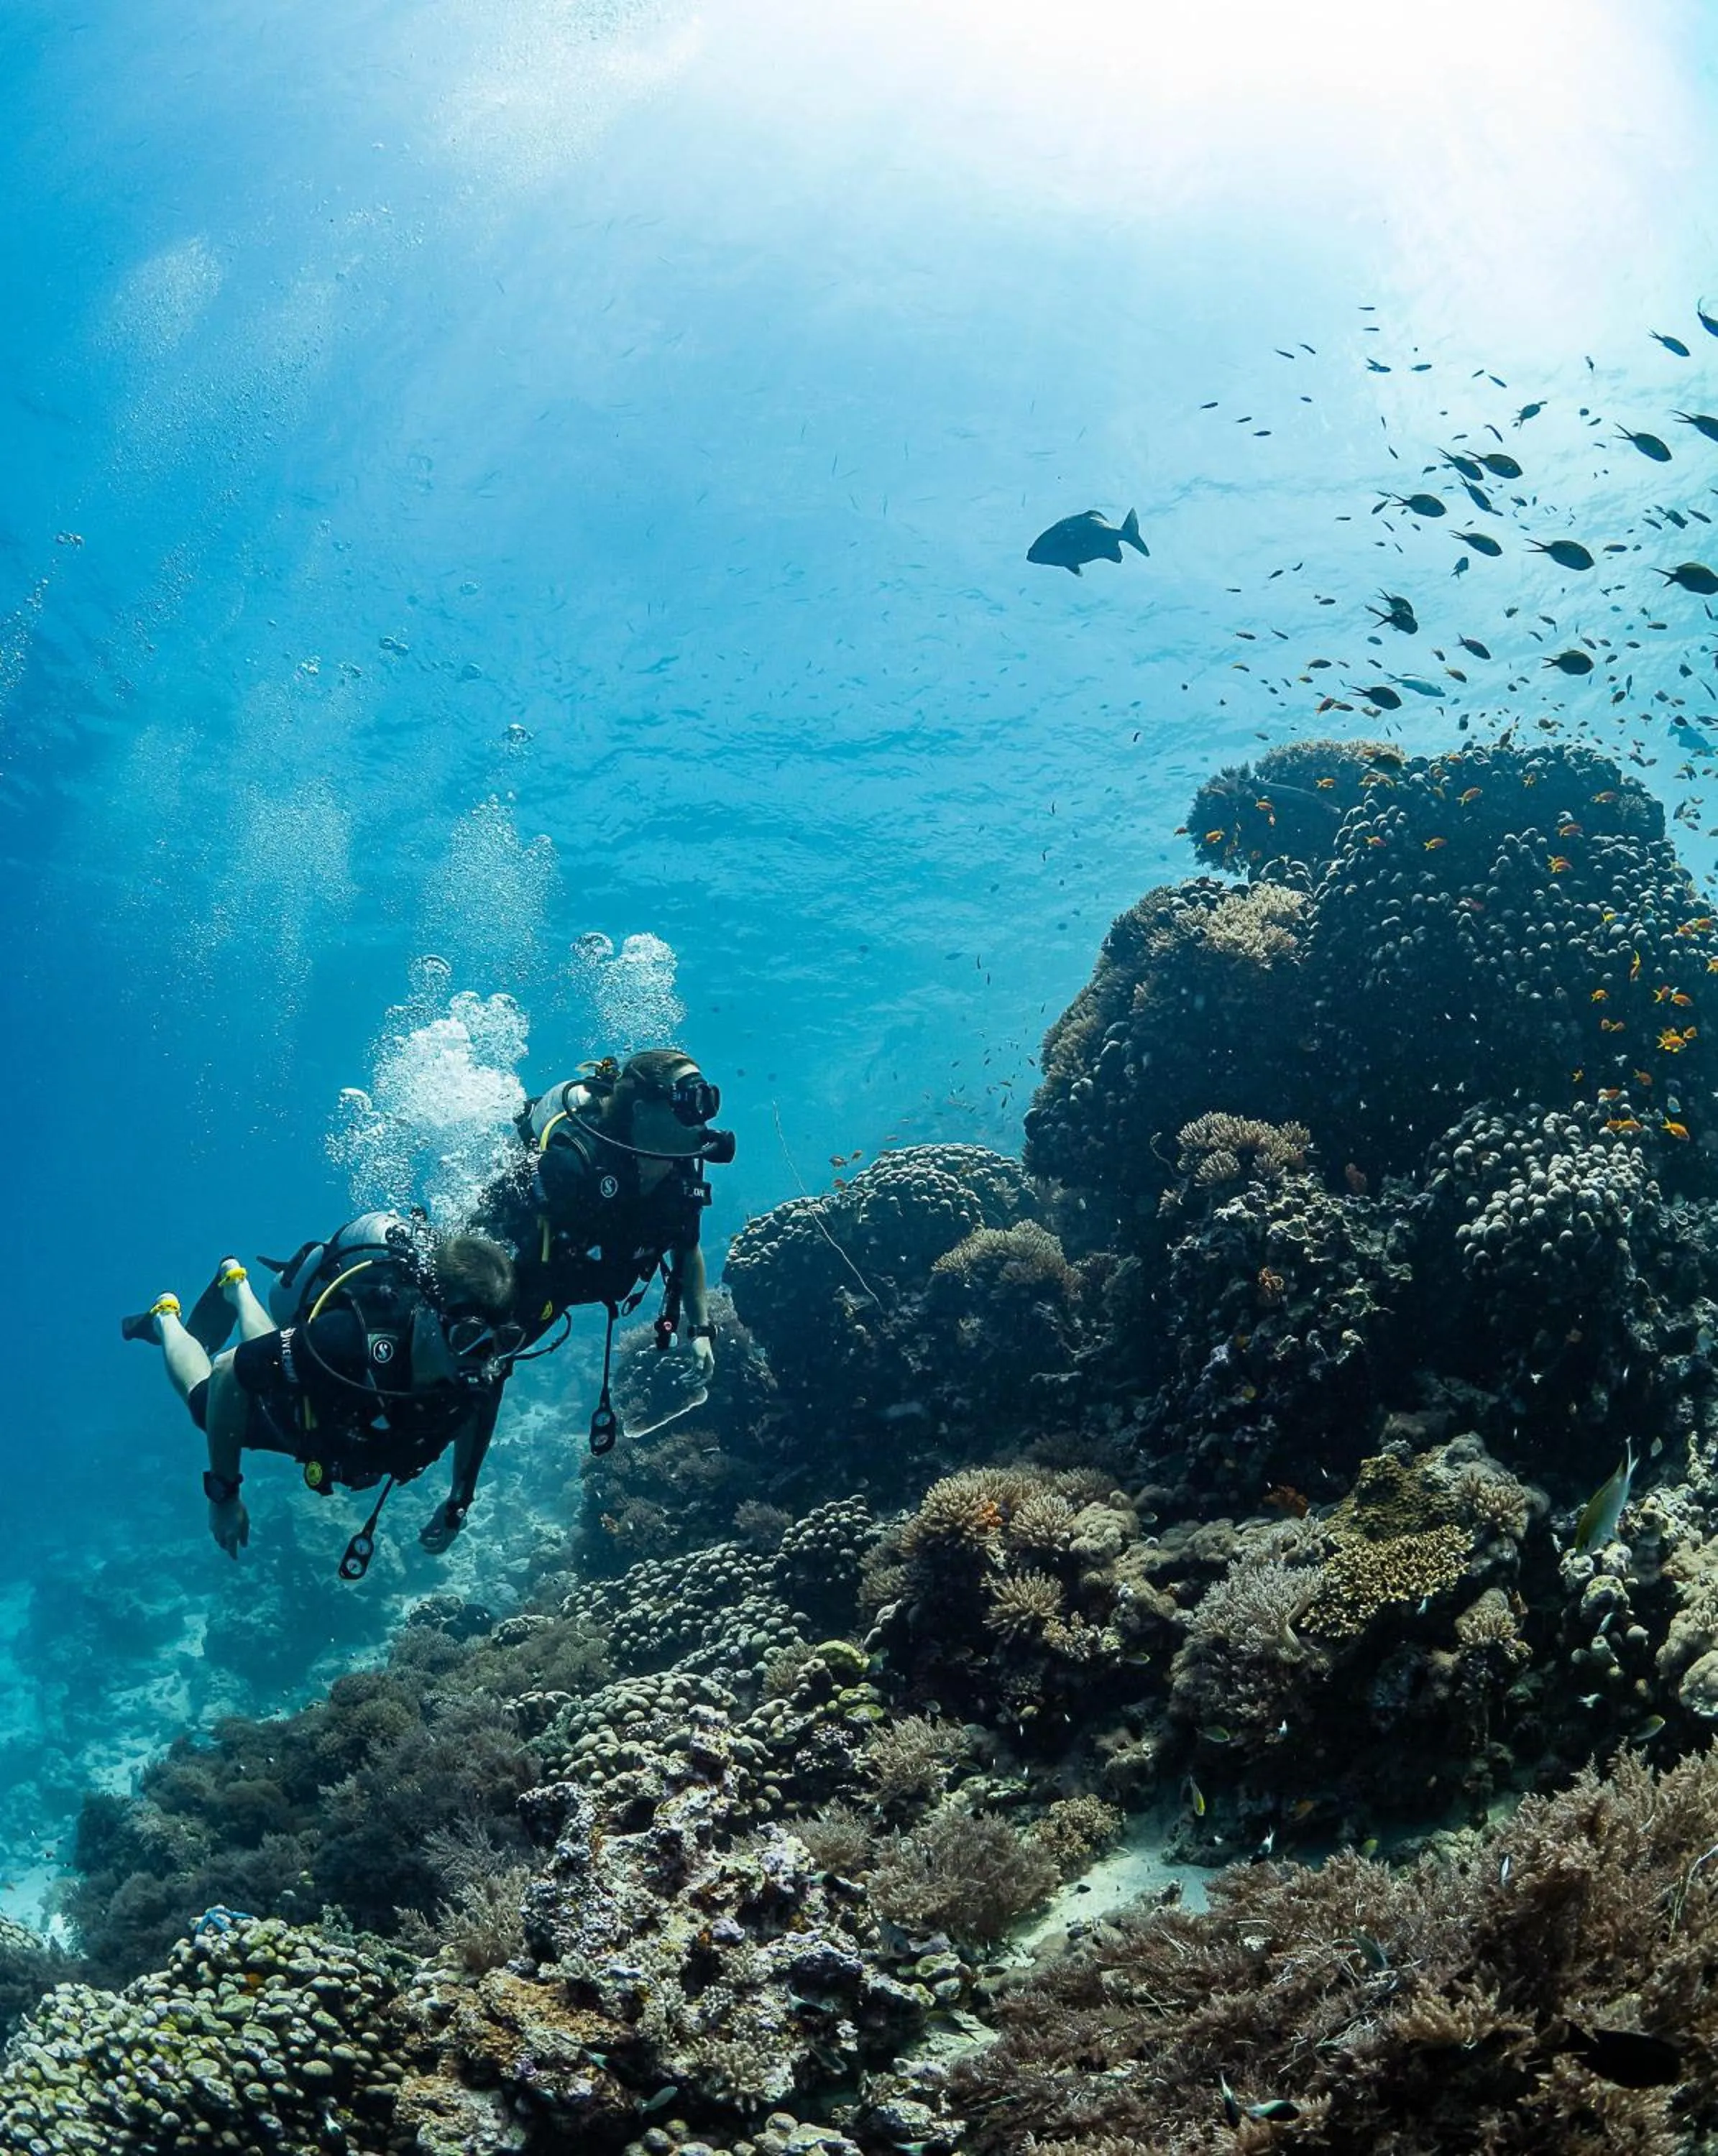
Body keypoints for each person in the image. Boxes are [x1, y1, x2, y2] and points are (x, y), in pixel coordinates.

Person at [123, 1215, 520, 1570]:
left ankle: (236, 1285)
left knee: (271, 1353)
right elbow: (229, 1369)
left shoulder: (486, 1366)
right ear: (430, 1315)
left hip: (330, 1416)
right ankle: (166, 1318)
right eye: (466, 1336)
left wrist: (458, 1502)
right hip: (301, 1412)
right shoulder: (345, 1339)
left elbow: (478, 1411)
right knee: (203, 1403)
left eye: (501, 1342)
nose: (480, 1360)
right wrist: (223, 1494)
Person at [471, 1049, 735, 1447]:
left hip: (583, 1280)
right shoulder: (574, 1166)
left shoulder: (681, 1168)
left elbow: (688, 1247)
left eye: (707, 1102)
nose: (704, 1119)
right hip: (537, 1285)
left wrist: (699, 1329)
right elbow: (496, 1232)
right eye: (689, 1103)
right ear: (644, 1112)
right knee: (481, 1368)